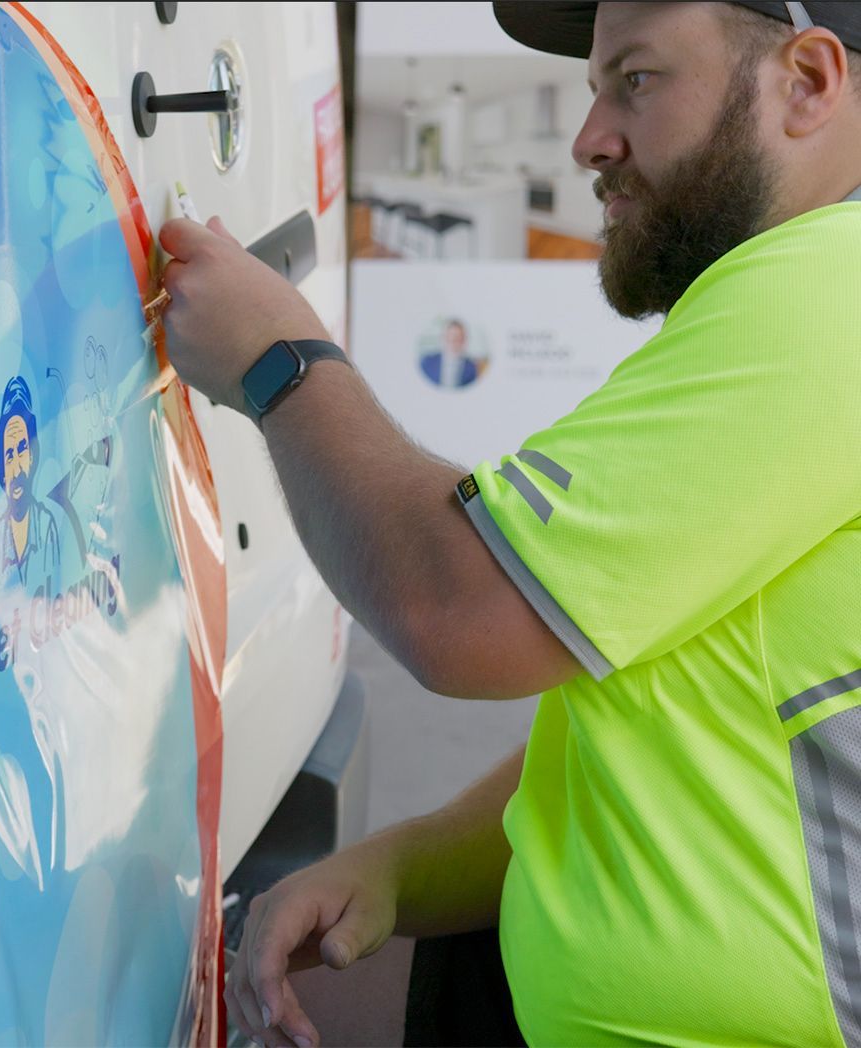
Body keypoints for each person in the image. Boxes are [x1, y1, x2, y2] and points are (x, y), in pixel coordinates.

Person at [158, 2, 861, 1045]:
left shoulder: (830, 291)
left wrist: (279, 362)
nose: (589, 140)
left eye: (637, 79)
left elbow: (457, 607)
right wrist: (403, 867)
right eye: (594, 89)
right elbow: (643, 745)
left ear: (807, 82)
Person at [0, 375, 60, 591]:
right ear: (2, 469)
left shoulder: (46, 525)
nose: (17, 468)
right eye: (9, 455)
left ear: (31, 457)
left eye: (22, 449)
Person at [419, 318, 483, 389]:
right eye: (450, 337)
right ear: (443, 338)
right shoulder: (427, 362)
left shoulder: (472, 368)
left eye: (457, 338)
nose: (453, 341)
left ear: (464, 340)